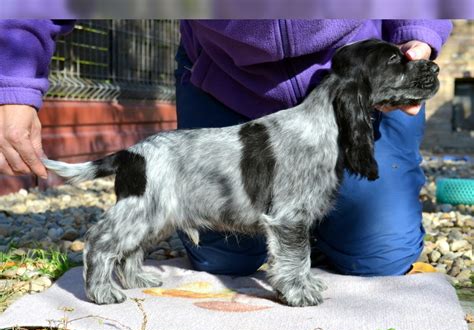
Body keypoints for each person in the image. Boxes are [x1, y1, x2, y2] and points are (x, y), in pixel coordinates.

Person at [0, 20, 452, 277]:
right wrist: (14, 83)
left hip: (349, 73)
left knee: (378, 257)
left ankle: (323, 231)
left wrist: (417, 34)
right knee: (224, 258)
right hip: (224, 76)